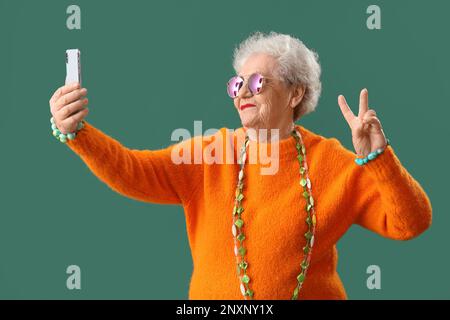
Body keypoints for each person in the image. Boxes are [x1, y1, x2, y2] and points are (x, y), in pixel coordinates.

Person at [48, 31, 432, 300]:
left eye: (258, 82)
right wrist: (78, 133)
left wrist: (378, 159)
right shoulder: (209, 153)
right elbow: (133, 171)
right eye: (237, 84)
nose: (243, 92)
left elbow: (410, 223)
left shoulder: (333, 162)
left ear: (295, 92)